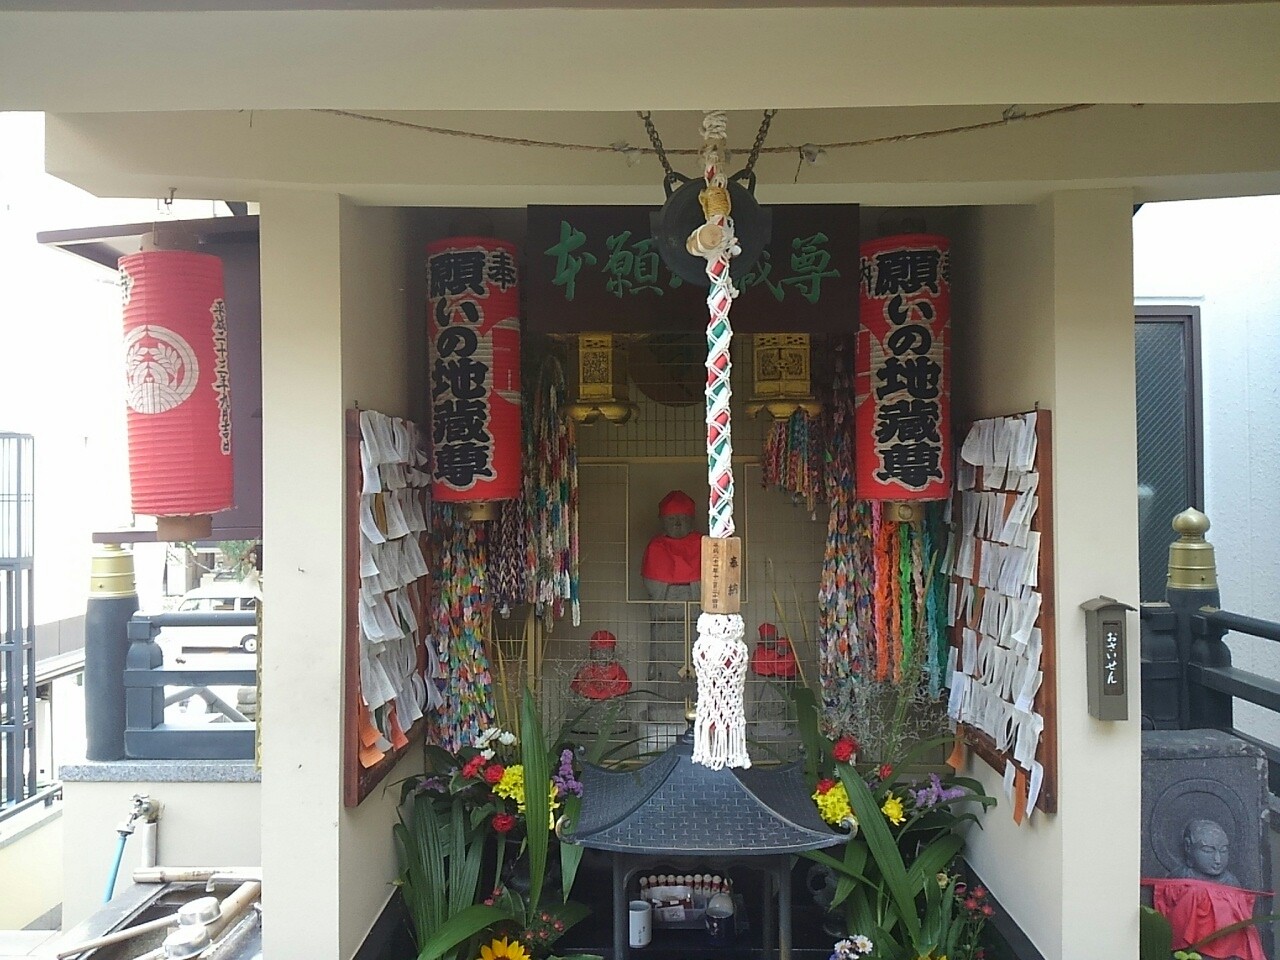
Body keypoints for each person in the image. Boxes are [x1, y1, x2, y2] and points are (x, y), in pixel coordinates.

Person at [641, 490, 701, 719]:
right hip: (665, 616)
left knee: (697, 661)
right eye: (672, 519)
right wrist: (675, 591)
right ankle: (663, 707)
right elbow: (652, 586)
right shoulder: (656, 546)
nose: (677, 524)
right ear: (662, 521)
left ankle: (697, 705)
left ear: (692, 519)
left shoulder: (702, 544)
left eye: (682, 519)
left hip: (695, 615)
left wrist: (690, 592)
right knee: (665, 664)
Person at [571, 630, 632, 701]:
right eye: (597, 651)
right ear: (591, 652)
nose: (602, 656)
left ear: (612, 652)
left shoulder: (618, 671)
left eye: (606, 651)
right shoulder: (585, 671)